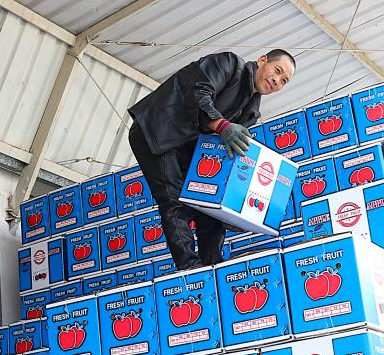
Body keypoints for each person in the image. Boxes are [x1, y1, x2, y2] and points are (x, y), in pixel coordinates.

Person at [127, 49, 297, 270]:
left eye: (284, 81)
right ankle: (190, 268)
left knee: (209, 206)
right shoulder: (229, 64)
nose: (277, 80)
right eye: (277, 70)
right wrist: (222, 125)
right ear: (262, 60)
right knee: (173, 199)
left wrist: (236, 211)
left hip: (192, 149)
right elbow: (198, 94)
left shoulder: (251, 112)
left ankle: (213, 268)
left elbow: (224, 154)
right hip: (158, 131)